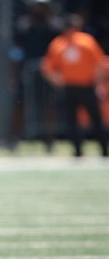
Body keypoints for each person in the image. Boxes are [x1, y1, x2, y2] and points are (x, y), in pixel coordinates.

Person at [41, 13, 109, 157]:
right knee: (96, 119)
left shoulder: (57, 43)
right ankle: (104, 150)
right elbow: (99, 64)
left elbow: (47, 68)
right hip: (86, 85)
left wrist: (58, 81)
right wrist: (97, 83)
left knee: (71, 120)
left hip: (68, 87)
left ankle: (78, 150)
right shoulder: (87, 41)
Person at [4, 0, 63, 151]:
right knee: (19, 104)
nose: (39, 9)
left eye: (43, 5)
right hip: (26, 70)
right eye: (37, 5)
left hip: (47, 71)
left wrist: (57, 71)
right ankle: (13, 139)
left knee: (48, 105)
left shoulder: (55, 26)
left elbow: (59, 51)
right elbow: (16, 51)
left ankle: (49, 141)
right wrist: (13, 74)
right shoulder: (24, 24)